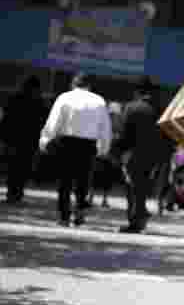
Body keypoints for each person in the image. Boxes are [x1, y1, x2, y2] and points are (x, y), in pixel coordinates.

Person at [38, 73, 112, 227]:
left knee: (64, 181)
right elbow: (105, 128)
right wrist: (104, 148)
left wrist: (45, 140)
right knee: (83, 181)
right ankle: (79, 214)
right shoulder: (99, 101)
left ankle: (64, 216)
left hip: (67, 143)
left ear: (73, 84)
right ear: (89, 86)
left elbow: (54, 121)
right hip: (88, 145)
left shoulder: (64, 98)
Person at [111, 78, 173, 233]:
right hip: (157, 157)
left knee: (133, 187)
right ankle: (140, 216)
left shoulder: (132, 107)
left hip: (135, 154)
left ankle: (136, 220)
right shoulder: (162, 109)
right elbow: (169, 135)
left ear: (138, 92)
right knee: (143, 187)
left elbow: (125, 134)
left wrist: (116, 151)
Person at [2, 76, 47, 203]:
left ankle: (12, 193)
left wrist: (4, 137)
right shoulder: (39, 102)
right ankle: (17, 193)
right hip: (29, 141)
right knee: (23, 168)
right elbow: (42, 122)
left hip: (14, 139)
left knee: (13, 167)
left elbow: (6, 119)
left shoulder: (14, 99)